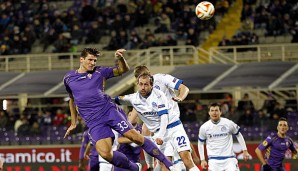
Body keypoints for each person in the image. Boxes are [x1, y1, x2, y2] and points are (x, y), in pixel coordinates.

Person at [63, 48, 174, 171]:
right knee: (105, 153)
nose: (93, 63)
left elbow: (123, 69)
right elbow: (72, 99)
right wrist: (73, 123)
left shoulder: (100, 71)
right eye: (90, 60)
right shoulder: (69, 78)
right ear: (81, 59)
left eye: (94, 60)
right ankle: (134, 167)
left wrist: (120, 58)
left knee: (135, 137)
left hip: (109, 111)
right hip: (93, 121)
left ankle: (167, 163)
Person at [115, 73, 200, 171]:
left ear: (152, 85)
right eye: (141, 84)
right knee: (164, 165)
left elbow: (164, 118)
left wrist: (160, 135)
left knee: (187, 160)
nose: (143, 87)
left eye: (146, 84)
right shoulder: (134, 98)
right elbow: (116, 100)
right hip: (158, 133)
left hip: (174, 128)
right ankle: (152, 165)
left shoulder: (159, 95)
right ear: (137, 84)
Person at [198, 103, 250, 171]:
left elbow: (238, 135)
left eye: (216, 110)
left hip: (229, 159)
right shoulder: (204, 127)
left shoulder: (228, 123)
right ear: (209, 112)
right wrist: (202, 159)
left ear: (220, 112)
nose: (214, 112)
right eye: (212, 110)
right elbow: (200, 143)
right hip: (213, 161)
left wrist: (245, 150)